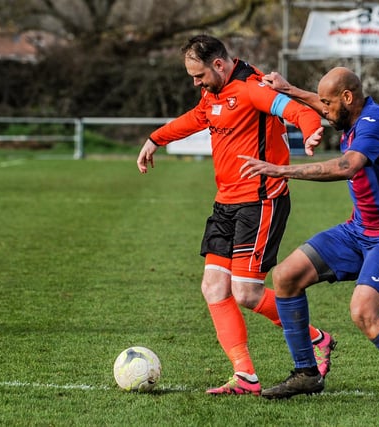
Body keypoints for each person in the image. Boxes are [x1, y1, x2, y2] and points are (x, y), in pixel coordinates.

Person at [238, 67, 379, 414]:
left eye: (327, 103)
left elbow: (348, 166)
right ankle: (306, 372)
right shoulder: (350, 113)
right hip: (359, 230)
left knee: (363, 311)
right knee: (286, 276)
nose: (322, 110)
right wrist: (288, 88)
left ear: (348, 98)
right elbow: (325, 106)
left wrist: (283, 169)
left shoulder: (375, 122)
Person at [136, 35, 336, 396]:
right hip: (225, 202)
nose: (195, 83)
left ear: (218, 64)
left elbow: (297, 110)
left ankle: (317, 339)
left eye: (198, 76)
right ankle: (245, 376)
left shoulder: (251, 88)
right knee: (213, 287)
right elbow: (195, 119)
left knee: (246, 292)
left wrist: (310, 132)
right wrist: (156, 139)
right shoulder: (212, 93)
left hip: (260, 202)